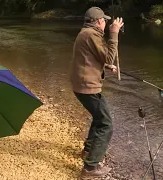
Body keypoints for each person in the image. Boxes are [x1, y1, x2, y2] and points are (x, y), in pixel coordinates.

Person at [70, 7, 124, 178]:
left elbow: (90, 58)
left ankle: (88, 151)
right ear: (98, 21)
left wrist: (107, 66)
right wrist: (114, 33)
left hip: (82, 85)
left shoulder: (85, 33)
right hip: (87, 87)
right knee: (106, 124)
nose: (106, 23)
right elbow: (108, 56)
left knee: (99, 117)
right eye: (105, 21)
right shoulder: (91, 35)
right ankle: (90, 168)